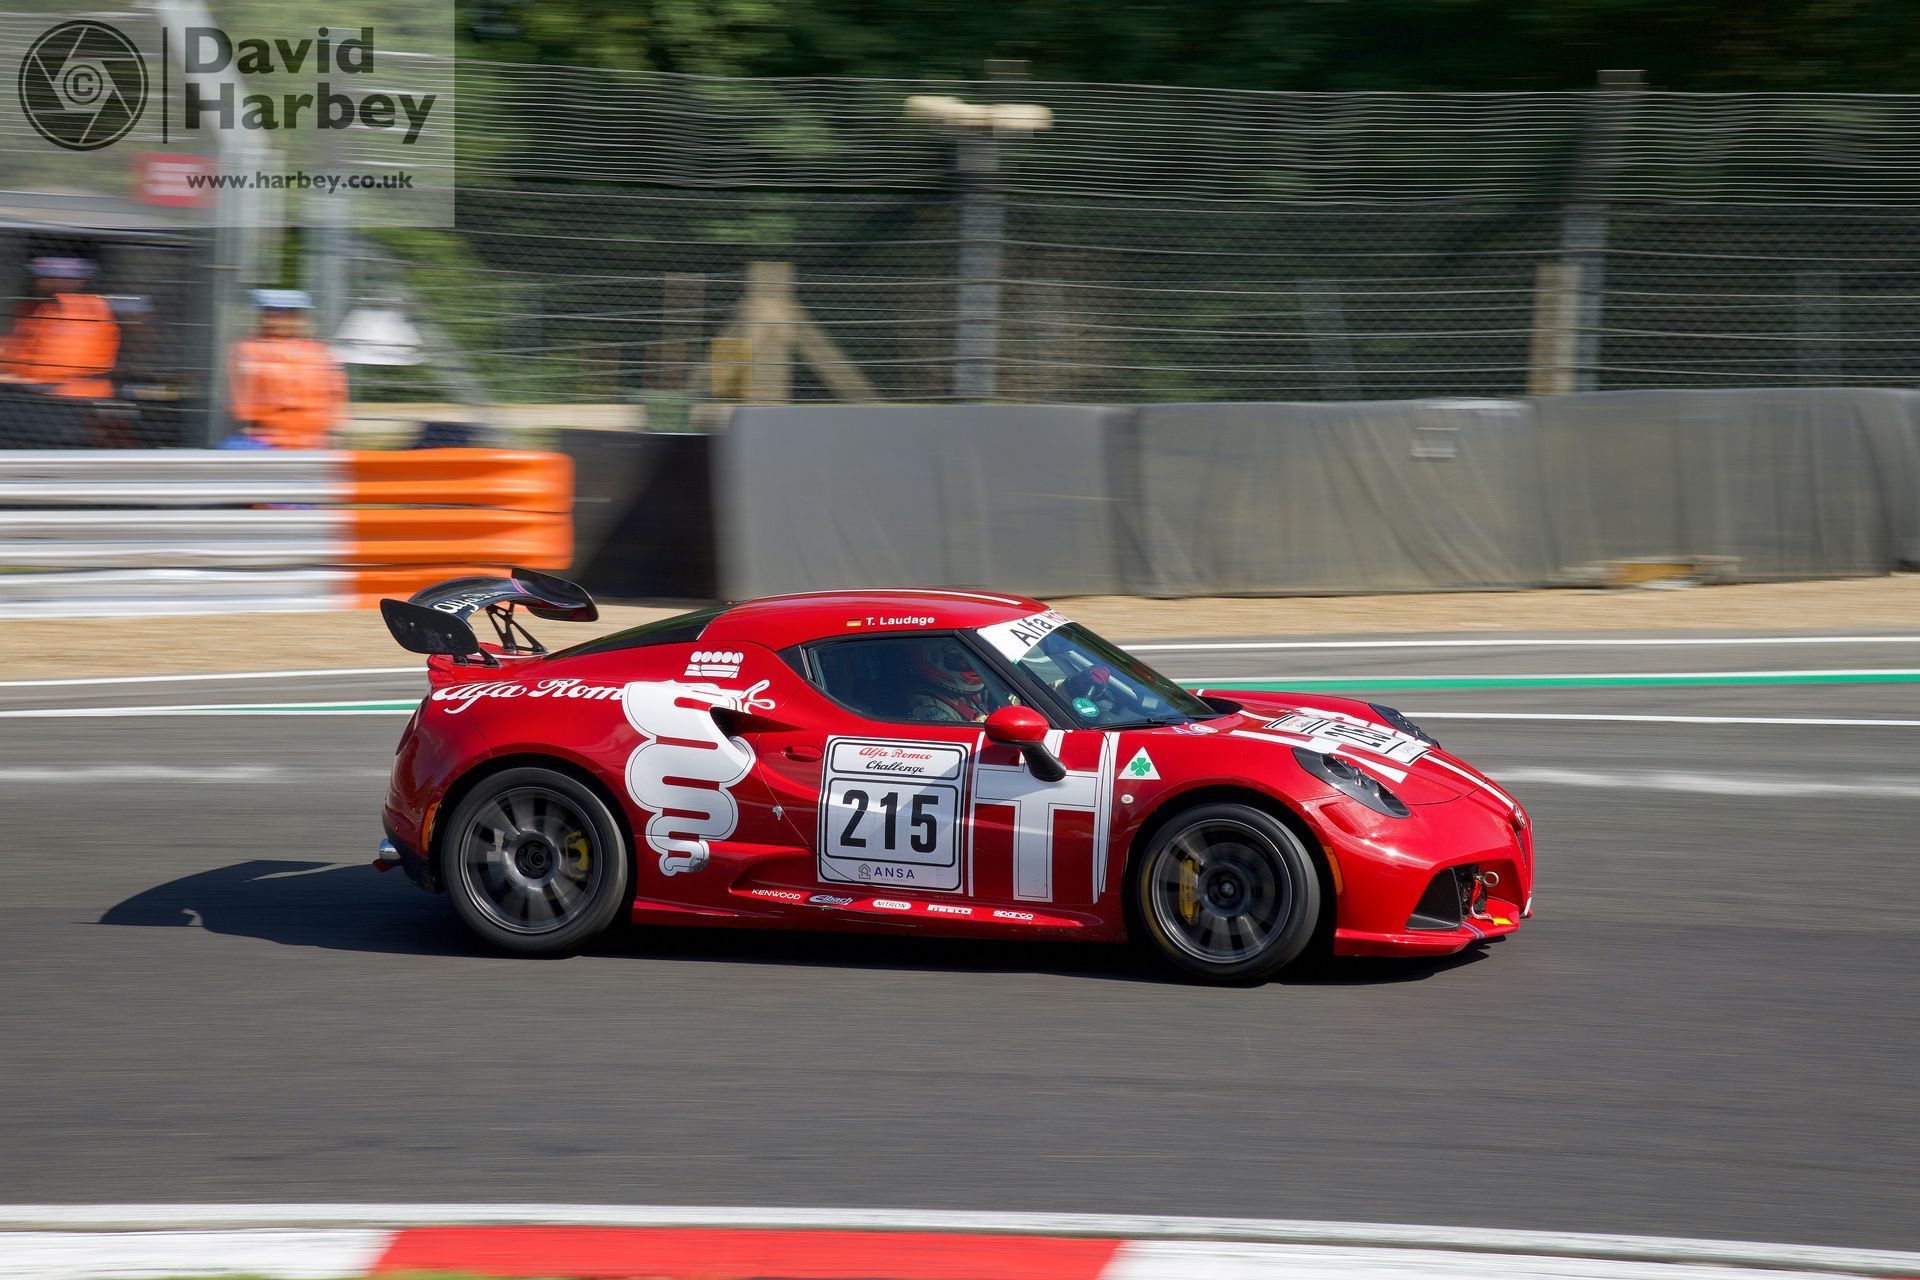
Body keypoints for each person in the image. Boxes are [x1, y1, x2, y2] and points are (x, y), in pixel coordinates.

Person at [226, 289, 346, 449]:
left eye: (285, 315)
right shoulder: (247, 349)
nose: (274, 321)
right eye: (269, 314)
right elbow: (243, 403)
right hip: (263, 440)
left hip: (312, 440)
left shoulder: (319, 352)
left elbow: (336, 396)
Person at [0, 257, 119, 398]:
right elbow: (15, 348)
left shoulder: (92, 310)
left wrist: (20, 376)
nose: (41, 282)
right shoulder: (37, 306)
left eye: (49, 277)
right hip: (36, 385)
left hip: (67, 392)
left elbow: (63, 366)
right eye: (43, 277)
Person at [903, 637, 999, 723]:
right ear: (933, 661)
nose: (968, 665)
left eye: (967, 659)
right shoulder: (928, 707)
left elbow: (1001, 698)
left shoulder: (971, 692)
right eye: (958, 659)